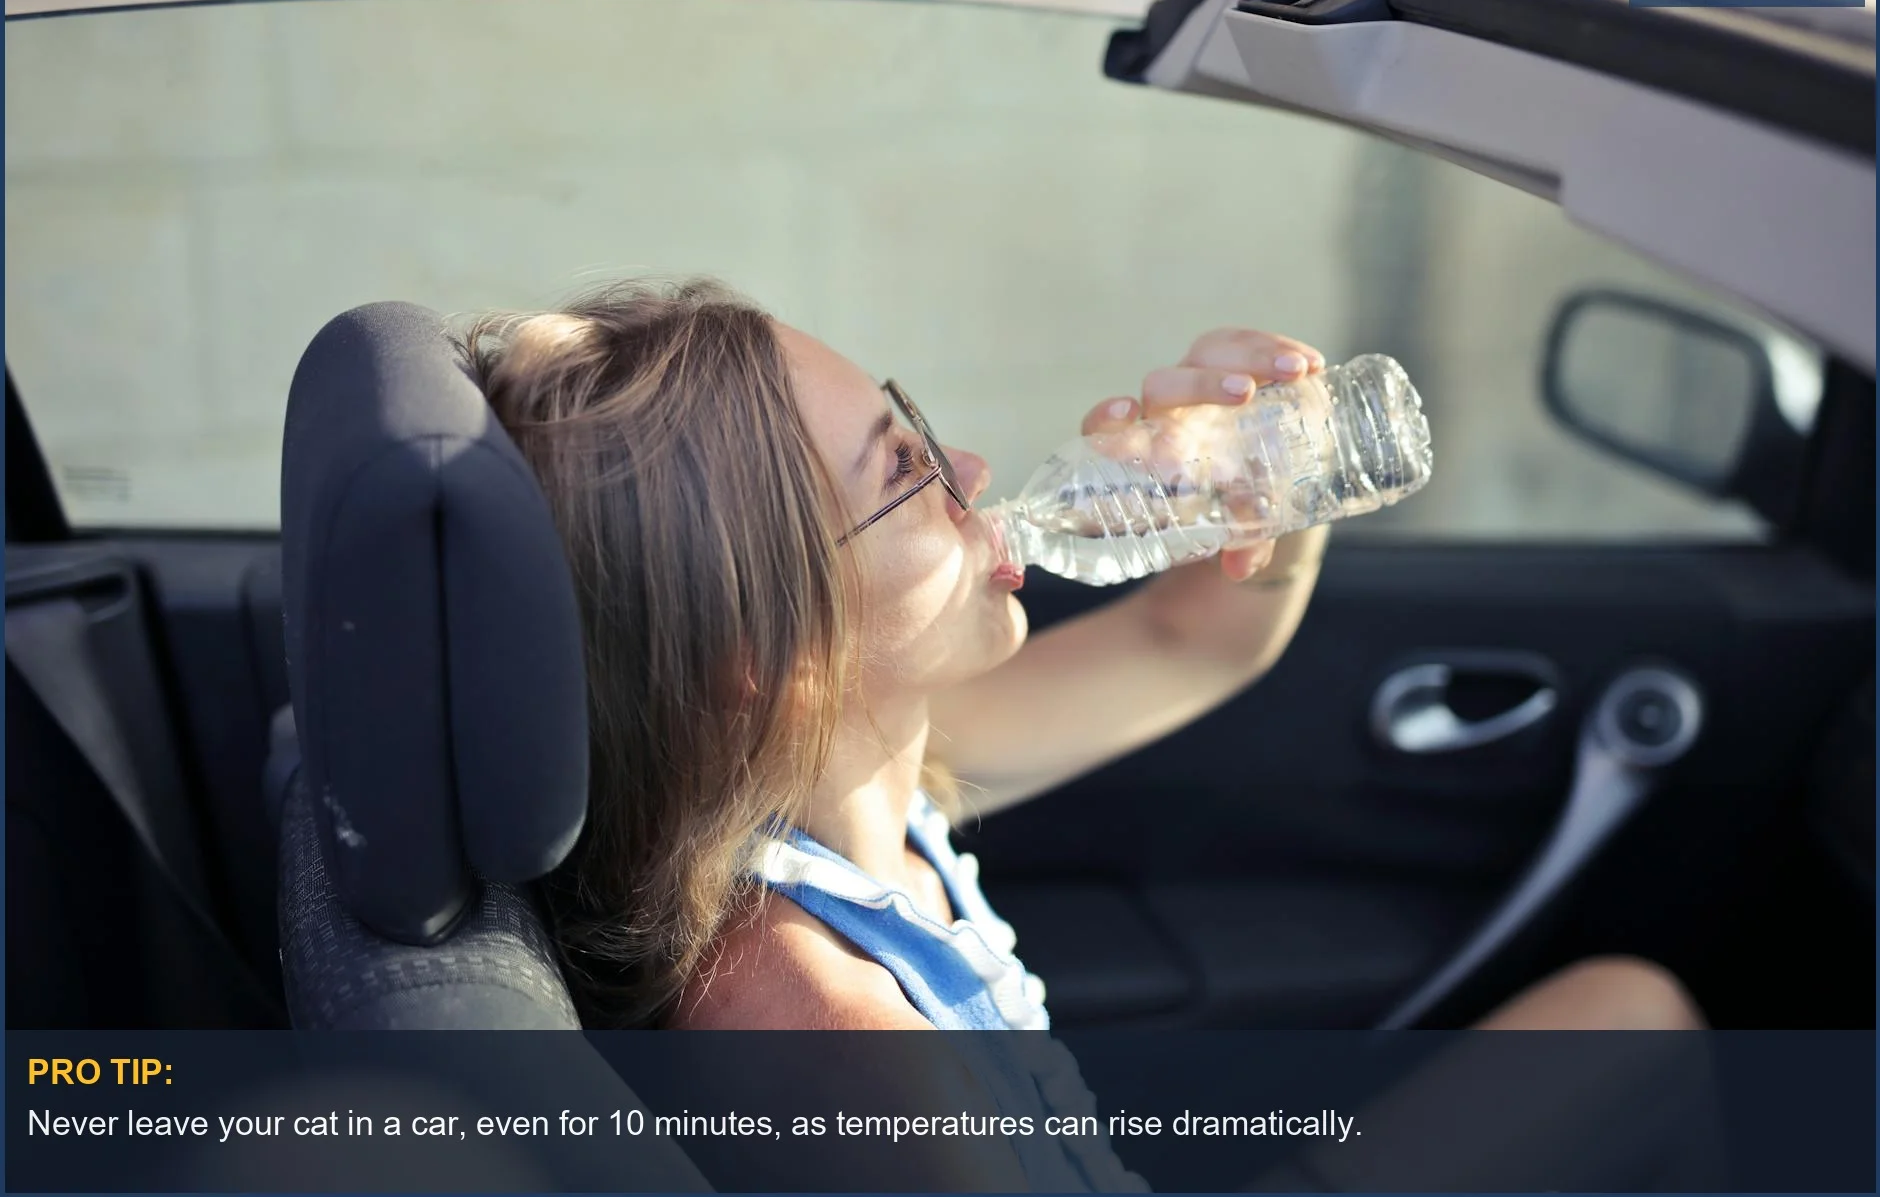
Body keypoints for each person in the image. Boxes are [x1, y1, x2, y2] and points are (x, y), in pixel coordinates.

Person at [458, 278, 1708, 1184]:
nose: (974, 466)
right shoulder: (836, 1038)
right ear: (764, 650)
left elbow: (1193, 643)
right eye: (905, 470)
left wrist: (1272, 484)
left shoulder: (856, 785)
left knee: (1626, 1011)